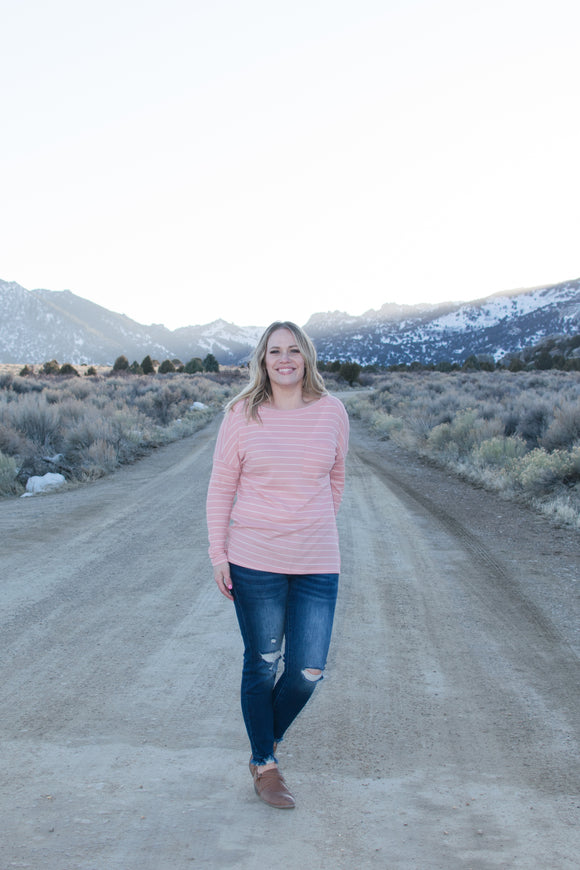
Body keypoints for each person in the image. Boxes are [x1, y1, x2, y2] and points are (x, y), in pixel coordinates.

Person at [206, 321, 349, 809]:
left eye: (293, 350)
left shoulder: (332, 412)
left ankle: (259, 743)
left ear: (305, 356)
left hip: (316, 561)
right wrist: (218, 554)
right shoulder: (241, 414)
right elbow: (220, 489)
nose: (284, 359)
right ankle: (265, 762)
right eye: (274, 352)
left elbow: (336, 478)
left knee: (307, 670)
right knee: (263, 663)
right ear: (262, 362)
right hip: (254, 560)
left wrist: (307, 524)